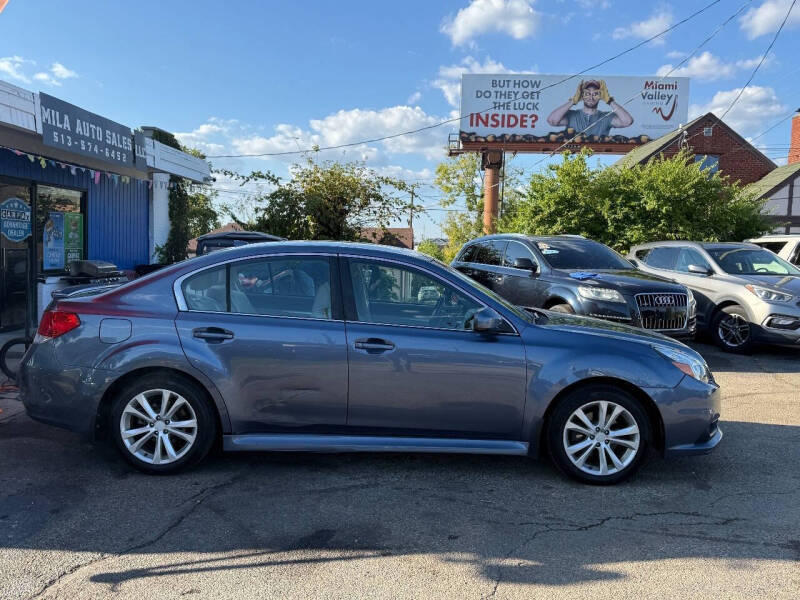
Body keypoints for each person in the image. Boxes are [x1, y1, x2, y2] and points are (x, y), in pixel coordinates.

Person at [546, 79, 634, 137]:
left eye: (595, 94)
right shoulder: (572, 115)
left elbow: (627, 121)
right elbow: (552, 121)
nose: (591, 98)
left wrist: (609, 101)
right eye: (587, 94)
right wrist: (573, 101)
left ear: (601, 96)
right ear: (581, 96)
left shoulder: (606, 117)